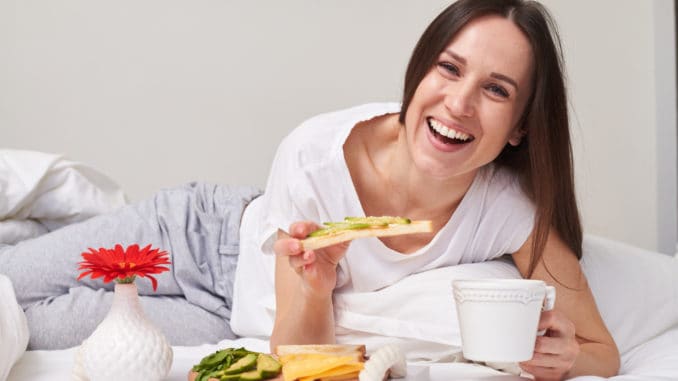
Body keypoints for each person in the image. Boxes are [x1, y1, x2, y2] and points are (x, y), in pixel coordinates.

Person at [0, 0, 619, 380]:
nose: (458, 103)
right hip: (198, 235)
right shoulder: (318, 153)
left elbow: (602, 351)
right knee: (9, 277)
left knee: (30, 326)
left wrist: (566, 359)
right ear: (421, 69)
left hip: (221, 317)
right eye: (449, 68)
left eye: (497, 89)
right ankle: (32, 226)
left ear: (520, 128)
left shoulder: (509, 212)